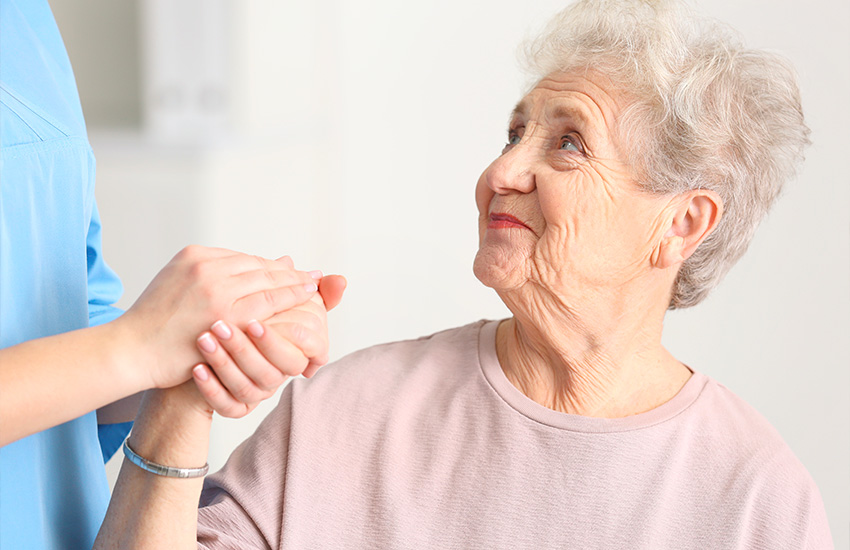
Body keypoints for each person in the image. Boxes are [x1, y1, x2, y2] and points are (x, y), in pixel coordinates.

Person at [94, 0, 833, 548]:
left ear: (682, 223)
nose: (502, 170)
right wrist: (187, 394)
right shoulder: (346, 412)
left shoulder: (756, 498)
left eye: (568, 143)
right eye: (515, 132)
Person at [0, 0, 345, 548]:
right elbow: (118, 349)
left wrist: (211, 345)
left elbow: (72, 324)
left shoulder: (24, 19)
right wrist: (136, 347)